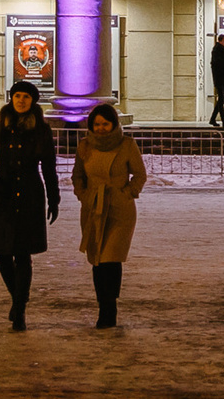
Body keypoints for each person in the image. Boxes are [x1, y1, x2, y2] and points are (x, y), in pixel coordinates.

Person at [0, 81, 62, 330]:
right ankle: (19, 298)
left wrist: (54, 199)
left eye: (26, 97)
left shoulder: (40, 130)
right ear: (11, 99)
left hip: (29, 196)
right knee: (1, 253)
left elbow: (48, 167)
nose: (21, 100)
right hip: (3, 195)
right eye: (17, 96)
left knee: (23, 254)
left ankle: (20, 311)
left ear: (33, 102)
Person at [70, 103, 147, 329]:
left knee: (111, 258)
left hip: (119, 210)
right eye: (97, 124)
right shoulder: (85, 146)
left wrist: (128, 193)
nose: (101, 128)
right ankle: (102, 302)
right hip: (93, 207)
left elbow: (140, 174)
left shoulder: (127, 145)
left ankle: (109, 307)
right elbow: (77, 175)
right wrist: (83, 195)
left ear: (114, 124)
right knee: (97, 258)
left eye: (105, 124)